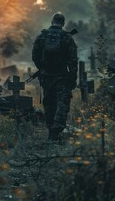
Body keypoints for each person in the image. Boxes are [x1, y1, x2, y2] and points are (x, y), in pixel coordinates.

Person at [32, 12, 78, 141]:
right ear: (63, 23)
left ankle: (50, 129)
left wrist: (42, 69)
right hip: (62, 76)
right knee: (62, 103)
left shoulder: (42, 36)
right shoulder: (67, 38)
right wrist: (73, 78)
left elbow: (35, 56)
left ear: (52, 22)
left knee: (49, 103)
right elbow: (73, 61)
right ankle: (56, 131)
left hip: (46, 76)